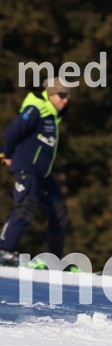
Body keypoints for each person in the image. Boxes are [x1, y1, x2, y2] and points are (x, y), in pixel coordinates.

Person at [0, 78, 71, 267]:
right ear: (51, 94)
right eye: (62, 95)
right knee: (26, 205)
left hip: (43, 174)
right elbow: (12, 131)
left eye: (68, 96)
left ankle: (54, 259)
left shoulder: (53, 117)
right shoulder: (36, 109)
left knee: (59, 212)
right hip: (27, 169)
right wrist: (5, 155)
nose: (65, 100)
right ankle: (4, 250)